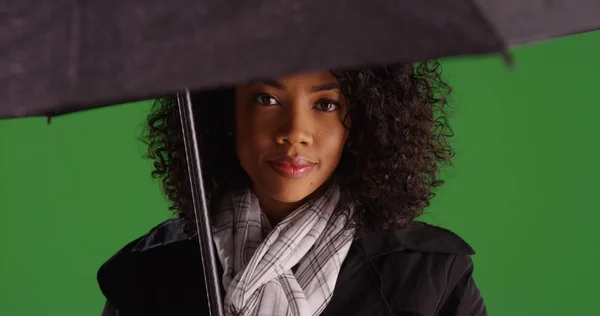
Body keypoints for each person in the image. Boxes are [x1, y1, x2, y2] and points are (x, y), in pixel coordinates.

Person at [97, 62, 487, 316]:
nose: (294, 133)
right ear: (227, 112)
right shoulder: (146, 277)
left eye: (326, 104)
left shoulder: (430, 278)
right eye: (267, 99)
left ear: (364, 120)